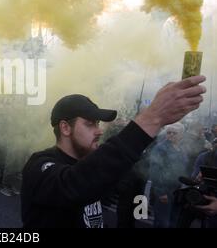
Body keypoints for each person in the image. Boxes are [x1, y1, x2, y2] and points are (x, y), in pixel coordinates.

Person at [20, 75, 206, 228]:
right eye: (90, 123)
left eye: (98, 123)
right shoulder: (40, 165)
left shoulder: (89, 164)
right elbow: (73, 185)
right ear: (65, 128)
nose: (99, 130)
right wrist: (152, 118)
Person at [149, 123, 188, 228]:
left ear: (181, 135)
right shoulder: (160, 148)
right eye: (168, 132)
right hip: (165, 190)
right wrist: (161, 192)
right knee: (162, 223)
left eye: (174, 133)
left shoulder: (182, 149)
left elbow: (183, 169)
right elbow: (154, 172)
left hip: (177, 191)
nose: (170, 135)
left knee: (173, 221)